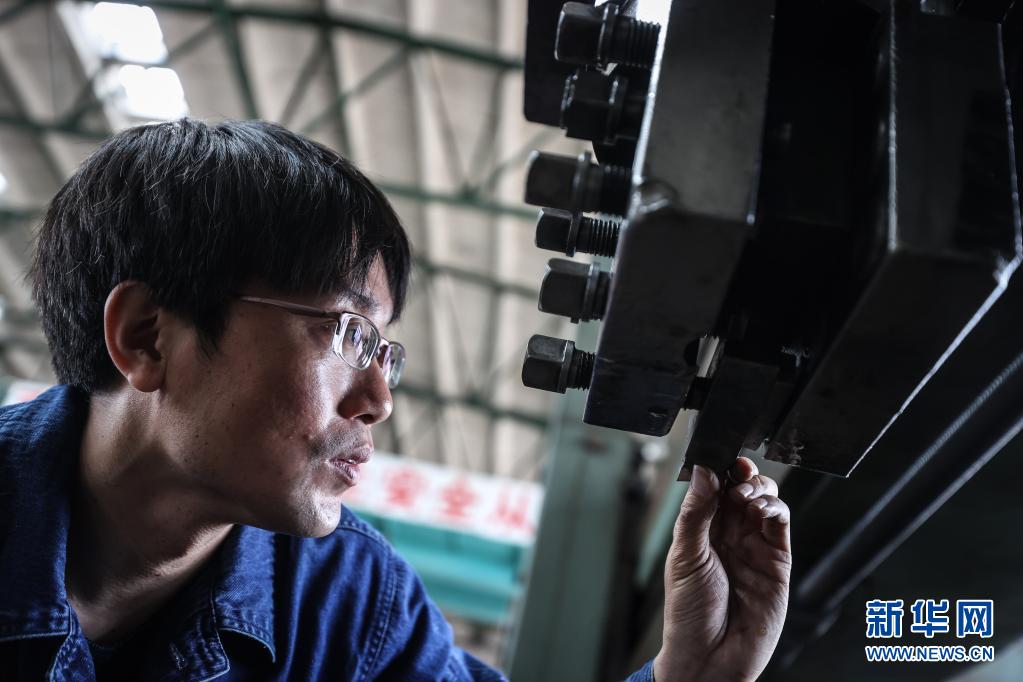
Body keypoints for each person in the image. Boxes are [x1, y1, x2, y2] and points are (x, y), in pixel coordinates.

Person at [0, 119, 791, 681]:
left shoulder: (350, 603)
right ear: (147, 337)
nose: (377, 399)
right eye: (348, 334)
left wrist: (687, 676)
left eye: (385, 352)